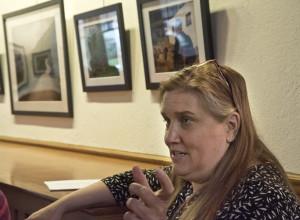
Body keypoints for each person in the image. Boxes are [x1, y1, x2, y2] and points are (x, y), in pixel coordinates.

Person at [26, 60, 300, 220]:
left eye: (187, 120)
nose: (170, 137)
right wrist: (60, 207)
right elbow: (127, 183)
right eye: (168, 121)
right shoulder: (204, 172)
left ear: (230, 126)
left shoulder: (263, 198)